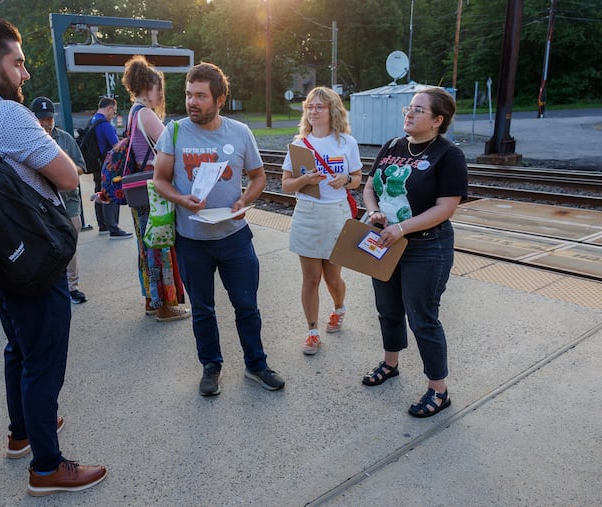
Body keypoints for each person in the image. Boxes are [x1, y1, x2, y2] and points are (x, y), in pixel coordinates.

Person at [0, 14, 106, 495]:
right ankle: (47, 467)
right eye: (18, 63)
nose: (26, 74)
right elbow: (65, 174)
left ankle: (21, 433)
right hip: (31, 259)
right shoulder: (5, 114)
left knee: (19, 347)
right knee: (44, 360)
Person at [152, 62, 285, 396]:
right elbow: (159, 180)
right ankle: (211, 366)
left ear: (220, 99)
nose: (192, 102)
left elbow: (258, 177)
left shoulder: (239, 133)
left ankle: (256, 365)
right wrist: (182, 199)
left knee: (246, 305)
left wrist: (244, 200)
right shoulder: (175, 131)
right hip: (192, 241)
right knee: (203, 310)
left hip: (234, 237)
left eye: (200, 96)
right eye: (188, 94)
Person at [361, 87, 468, 418]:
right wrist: (374, 212)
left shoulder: (448, 155)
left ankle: (439, 390)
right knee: (388, 308)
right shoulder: (393, 146)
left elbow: (446, 207)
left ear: (437, 120)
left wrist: (402, 228)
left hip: (426, 248)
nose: (409, 113)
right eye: (409, 107)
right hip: (385, 241)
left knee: (423, 318)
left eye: (418, 110)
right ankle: (390, 364)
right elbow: (370, 186)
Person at [281, 87, 363, 355]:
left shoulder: (346, 143)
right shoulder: (299, 144)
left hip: (337, 214)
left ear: (332, 110)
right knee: (311, 279)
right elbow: (286, 185)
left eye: (319, 107)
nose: (313, 111)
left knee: (332, 277)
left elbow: (358, 179)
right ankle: (312, 332)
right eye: (309, 107)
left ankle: (339, 308)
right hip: (307, 215)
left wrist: (346, 180)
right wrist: (305, 180)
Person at [121, 55, 190, 322]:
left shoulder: (132, 112)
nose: (161, 95)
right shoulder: (146, 114)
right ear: (151, 88)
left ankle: (152, 300)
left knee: (146, 245)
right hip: (154, 191)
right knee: (160, 245)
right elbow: (170, 146)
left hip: (140, 191)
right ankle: (165, 305)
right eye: (159, 89)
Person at [30, 96, 89, 304]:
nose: (46, 123)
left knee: (70, 247)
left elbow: (82, 165)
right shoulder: (30, 139)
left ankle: (72, 287)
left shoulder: (65, 139)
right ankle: (53, 286)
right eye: (41, 119)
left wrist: (67, 171)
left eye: (49, 118)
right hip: (42, 206)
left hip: (69, 204)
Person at [86, 97, 133, 239]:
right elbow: (116, 147)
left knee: (99, 191)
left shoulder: (92, 121)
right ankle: (114, 228)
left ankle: (103, 225)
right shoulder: (105, 125)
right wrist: (127, 141)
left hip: (95, 164)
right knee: (111, 194)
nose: (113, 115)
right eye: (114, 112)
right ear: (110, 108)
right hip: (108, 166)